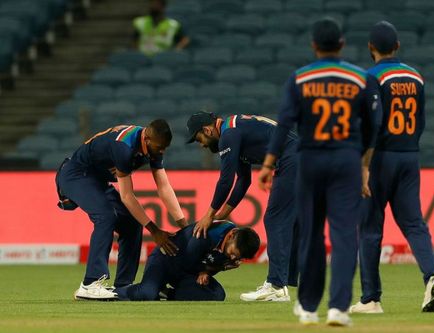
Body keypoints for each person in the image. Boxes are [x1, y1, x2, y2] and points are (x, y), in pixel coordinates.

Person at [258, 18, 381, 326]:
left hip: (310, 160)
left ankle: (309, 307)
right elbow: (373, 127)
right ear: (341, 44)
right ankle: (339, 307)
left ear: (314, 45)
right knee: (343, 235)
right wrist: (362, 162)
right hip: (346, 161)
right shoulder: (360, 77)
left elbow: (284, 123)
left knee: (311, 234)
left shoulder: (300, 78)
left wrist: (269, 163)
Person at [349, 21, 434, 314]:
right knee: (414, 224)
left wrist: (364, 165)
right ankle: (432, 276)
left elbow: (372, 124)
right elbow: (423, 120)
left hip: (380, 159)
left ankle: (371, 299)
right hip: (409, 155)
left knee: (369, 228)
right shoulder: (416, 76)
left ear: (370, 48)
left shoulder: (371, 77)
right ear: (398, 46)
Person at [56, 119, 187, 300]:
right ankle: (90, 283)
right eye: (159, 147)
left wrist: (185, 225)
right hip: (76, 174)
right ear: (147, 139)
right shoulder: (124, 147)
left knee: (132, 223)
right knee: (105, 216)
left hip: (97, 180)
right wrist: (155, 231)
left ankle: (123, 285)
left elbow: (164, 187)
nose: (162, 151)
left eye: (165, 147)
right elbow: (127, 196)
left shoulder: (153, 146)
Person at [186, 111, 299, 302]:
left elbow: (226, 181)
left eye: (200, 139)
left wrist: (209, 215)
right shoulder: (235, 129)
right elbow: (243, 180)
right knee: (292, 221)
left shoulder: (228, 136)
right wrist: (223, 214)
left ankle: (277, 285)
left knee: (275, 219)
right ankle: (285, 280)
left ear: (207, 129)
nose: (202, 145)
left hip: (292, 160)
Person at [111, 221, 260, 301]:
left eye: (238, 258)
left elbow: (204, 263)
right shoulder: (206, 234)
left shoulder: (230, 241)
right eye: (234, 253)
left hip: (185, 272)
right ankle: (110, 293)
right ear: (232, 234)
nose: (233, 258)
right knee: (146, 294)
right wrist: (209, 270)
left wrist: (209, 271)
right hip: (165, 261)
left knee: (217, 295)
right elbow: (189, 261)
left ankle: (166, 293)